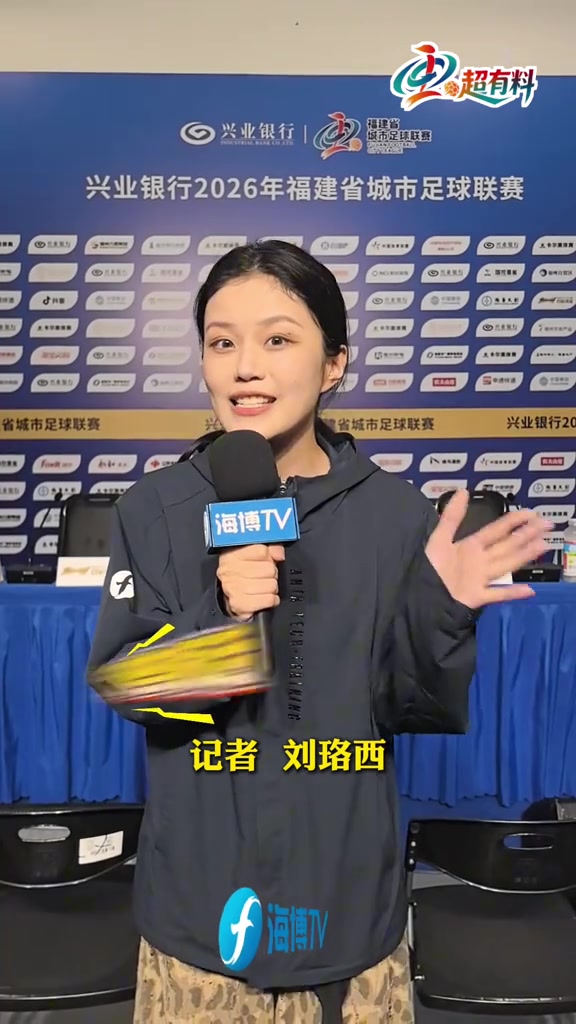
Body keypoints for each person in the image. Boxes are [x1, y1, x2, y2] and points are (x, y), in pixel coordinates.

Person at [88, 240, 550, 1024]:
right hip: (203, 918)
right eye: (222, 343)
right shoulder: (153, 509)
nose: (245, 368)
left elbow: (410, 704)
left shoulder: (396, 515)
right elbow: (130, 687)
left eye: (277, 339)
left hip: (346, 913)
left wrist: (442, 610)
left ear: (334, 363)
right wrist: (222, 615)